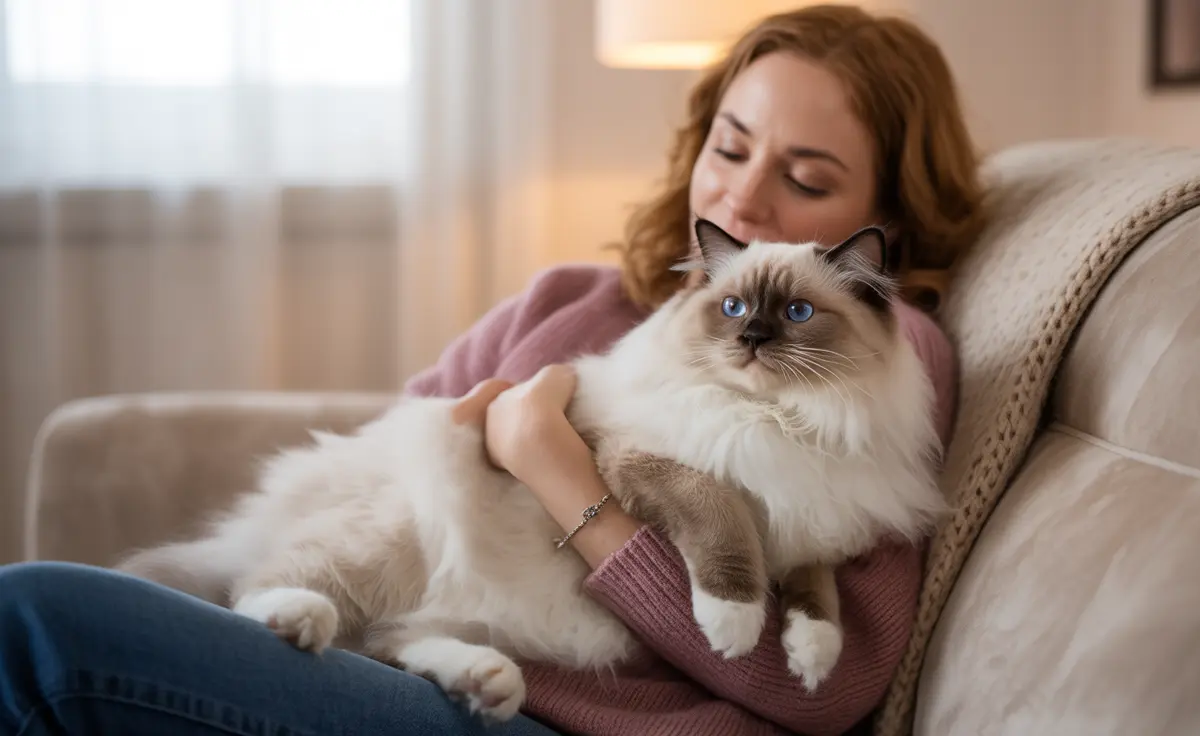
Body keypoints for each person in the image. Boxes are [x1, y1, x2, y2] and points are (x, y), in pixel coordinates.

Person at [0, 5, 986, 735]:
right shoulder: (571, 297)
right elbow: (391, 473)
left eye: (806, 178)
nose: (744, 199)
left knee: (36, 623)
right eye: (730, 148)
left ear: (882, 232)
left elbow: (823, 682)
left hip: (548, 712)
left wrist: (552, 463)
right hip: (403, 639)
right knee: (66, 608)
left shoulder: (881, 357)